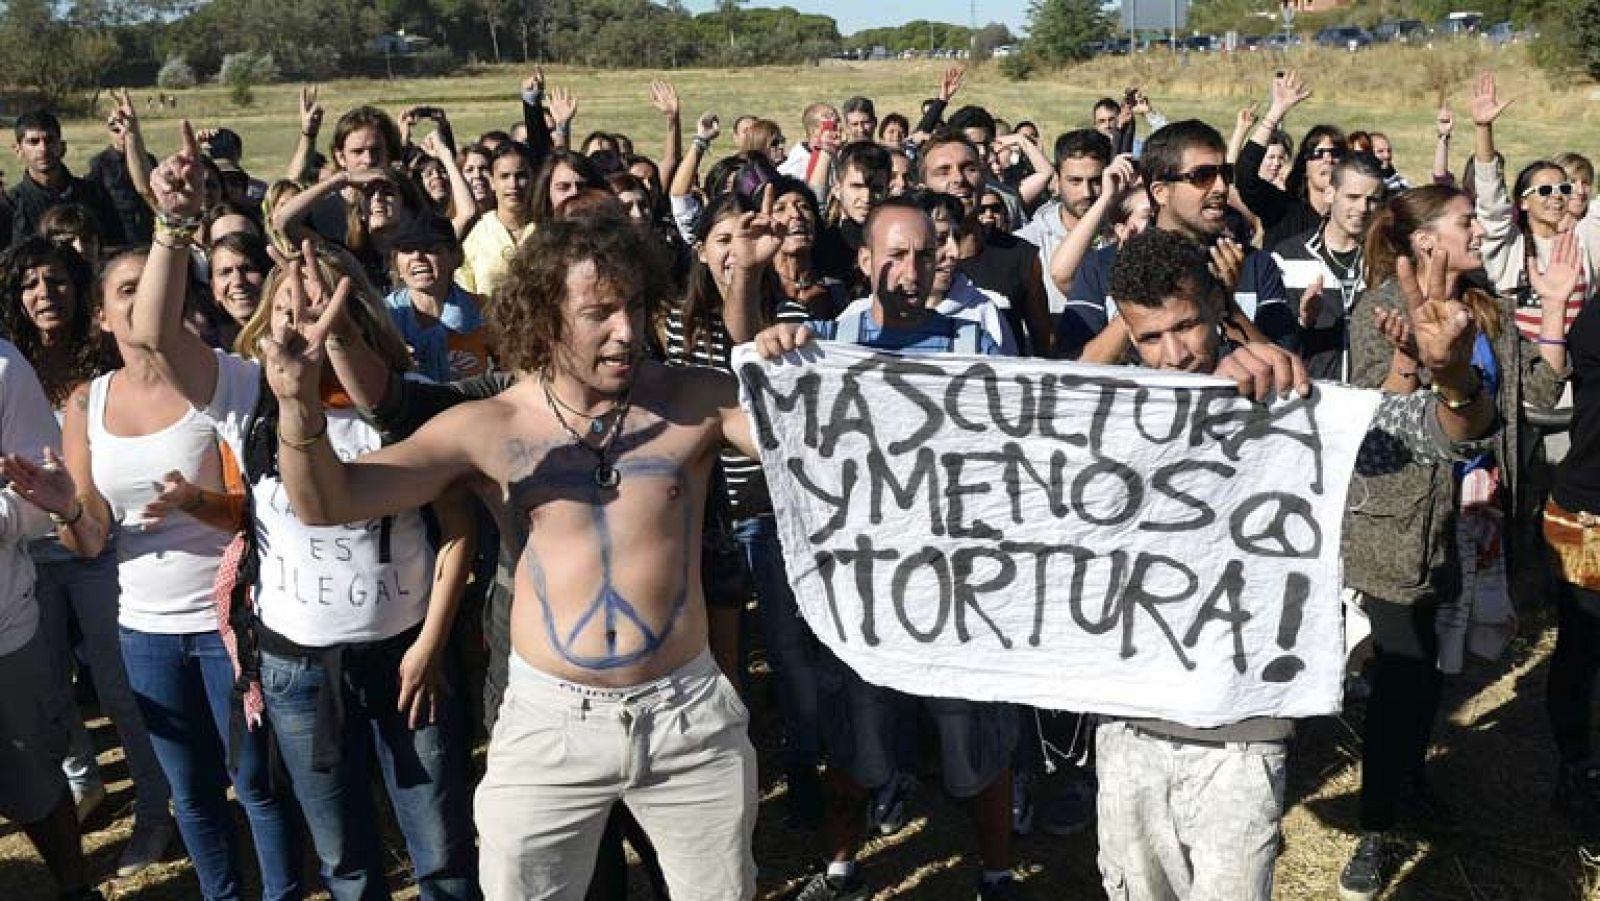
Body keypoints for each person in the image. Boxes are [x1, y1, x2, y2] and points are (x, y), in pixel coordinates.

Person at [261, 206, 765, 899]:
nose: (627, 331)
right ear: (545, 316)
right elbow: (330, 500)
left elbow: (803, 441)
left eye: (638, 306)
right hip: (549, 725)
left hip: (688, 719)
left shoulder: (694, 402)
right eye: (600, 312)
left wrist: (779, 361)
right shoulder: (490, 427)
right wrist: (297, 408)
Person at [1097, 223, 1502, 901]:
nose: (1173, 354)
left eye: (1188, 327)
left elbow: (1440, 435)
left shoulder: (1291, 400)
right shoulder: (1109, 409)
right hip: (1129, 724)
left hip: (1242, 730)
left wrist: (1454, 374)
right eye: (1150, 337)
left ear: (1216, 305)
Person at [132, 123, 482, 901]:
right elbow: (155, 333)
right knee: (347, 862)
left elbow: (458, 530)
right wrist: (170, 225)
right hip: (295, 667)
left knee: (442, 851)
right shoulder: (243, 394)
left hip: (406, 655)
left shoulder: (404, 407)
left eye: (324, 304)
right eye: (289, 304)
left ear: (356, 309)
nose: (304, 321)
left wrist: (429, 646)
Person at [6, 248, 303, 900]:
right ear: (104, 317)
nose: (142, 303)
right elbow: (89, 540)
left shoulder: (217, 381)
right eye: (126, 292)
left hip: (229, 622)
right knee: (191, 791)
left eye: (152, 289)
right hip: (143, 630)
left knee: (255, 781)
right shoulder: (89, 401)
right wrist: (64, 508)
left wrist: (195, 502)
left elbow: (258, 515)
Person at [754, 198, 1015, 901]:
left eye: (923, 255)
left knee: (974, 738)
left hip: (952, 584)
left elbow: (1016, 441)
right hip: (861, 586)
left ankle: (996, 871)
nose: (909, 270)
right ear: (864, 259)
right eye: (893, 255)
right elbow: (758, 387)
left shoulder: (973, 343)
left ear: (941, 260)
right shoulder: (822, 340)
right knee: (855, 733)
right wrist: (771, 352)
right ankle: (841, 864)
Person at [1336, 183, 1568, 901]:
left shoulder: (1488, 306)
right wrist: (1416, 359)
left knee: (1435, 669)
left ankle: (1410, 779)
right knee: (1401, 673)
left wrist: (1555, 307)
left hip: (1475, 521)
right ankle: (1377, 824)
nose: (1482, 228)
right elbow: (1377, 423)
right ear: (1426, 241)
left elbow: (1539, 389)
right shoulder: (1381, 307)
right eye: (1467, 220)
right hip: (1404, 521)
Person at [0, 237, 176, 875]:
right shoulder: (13, 361)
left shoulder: (105, 359)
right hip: (26, 553)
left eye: (57, 281)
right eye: (29, 283)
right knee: (48, 691)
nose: (44, 294)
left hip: (95, 545)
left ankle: (156, 811)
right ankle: (81, 782)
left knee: (119, 688)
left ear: (82, 291)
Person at [0, 338, 104, 901]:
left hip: (3, 632)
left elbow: (46, 497)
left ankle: (76, 889)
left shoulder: (3, 366)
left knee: (34, 780)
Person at [1056, 120, 1294, 361]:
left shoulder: (1255, 265)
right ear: (1160, 191)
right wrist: (1136, 302)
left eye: (1225, 174)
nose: (1221, 188)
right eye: (1202, 176)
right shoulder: (1104, 266)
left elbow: (1287, 369)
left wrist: (1227, 308)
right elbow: (1075, 369)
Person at [919, 133, 1053, 356]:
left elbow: (1044, 345)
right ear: (923, 185)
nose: (958, 179)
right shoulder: (908, 260)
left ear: (983, 177)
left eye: (969, 168)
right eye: (943, 171)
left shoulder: (1020, 255)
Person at [1271, 153, 1387, 379]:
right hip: (1311, 398)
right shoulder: (1288, 256)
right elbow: (1271, 340)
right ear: (1330, 194)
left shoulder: (1388, 261)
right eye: (1352, 197)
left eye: (1372, 200)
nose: (1363, 208)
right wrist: (1304, 321)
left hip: (1372, 398)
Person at [1236, 71, 1348, 248]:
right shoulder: (1282, 209)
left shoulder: (1352, 217)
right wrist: (1276, 111)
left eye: (1335, 153)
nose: (1328, 159)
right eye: (1318, 154)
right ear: (1304, 165)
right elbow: (1245, 175)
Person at [1015, 129, 1113, 319]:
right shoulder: (1027, 244)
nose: (1087, 192)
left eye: (1096, 181)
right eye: (1075, 181)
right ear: (1057, 182)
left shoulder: (1126, 234)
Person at [386, 213, 493, 383]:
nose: (417, 257)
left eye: (429, 248)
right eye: (407, 249)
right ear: (396, 264)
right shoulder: (381, 319)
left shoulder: (487, 312)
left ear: (456, 257)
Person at [10, 110, 125, 250]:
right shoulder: (11, 206)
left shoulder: (93, 194)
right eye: (33, 142)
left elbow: (116, 245)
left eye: (49, 140)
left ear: (62, 147)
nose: (43, 149)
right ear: (18, 150)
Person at [87, 88, 157, 246]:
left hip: (147, 232)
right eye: (115, 130)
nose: (121, 134)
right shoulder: (100, 163)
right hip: (118, 236)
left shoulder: (148, 159)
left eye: (123, 128)